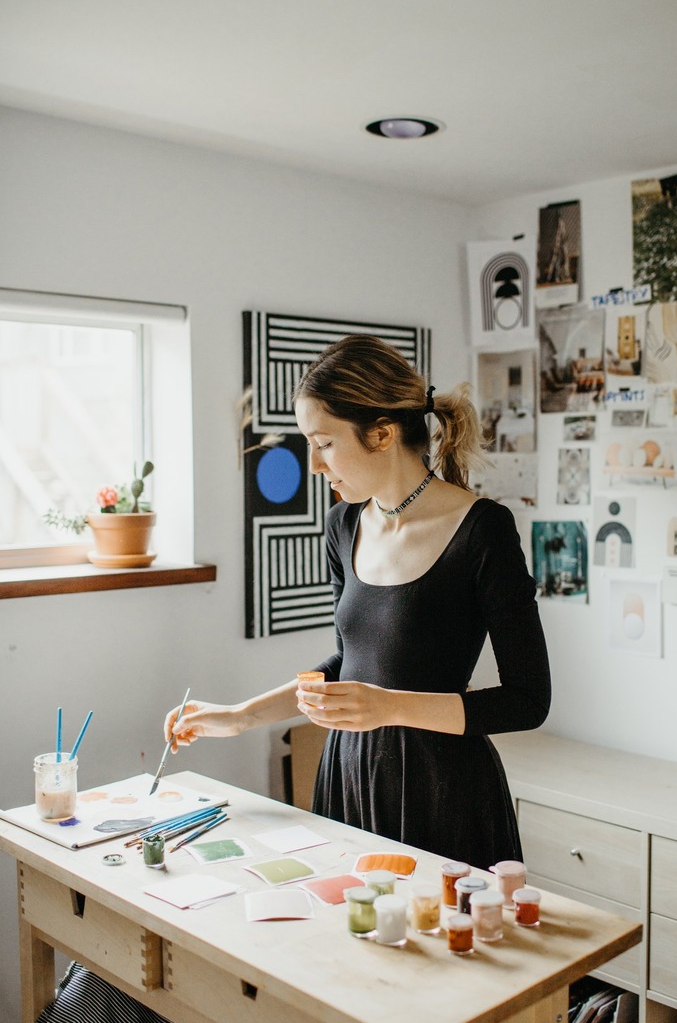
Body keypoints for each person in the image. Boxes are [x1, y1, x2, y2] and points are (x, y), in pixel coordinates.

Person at [165, 334, 551, 869]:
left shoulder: (483, 531)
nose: (316, 465)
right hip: (349, 777)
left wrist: (390, 706)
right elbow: (351, 664)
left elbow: (528, 700)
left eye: (323, 442)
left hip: (444, 794)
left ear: (383, 432)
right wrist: (238, 717)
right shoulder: (343, 525)